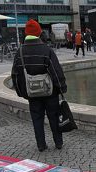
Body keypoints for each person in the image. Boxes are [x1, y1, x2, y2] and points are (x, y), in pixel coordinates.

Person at [11, 19, 67, 152]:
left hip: (32, 93)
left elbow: (15, 74)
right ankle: (58, 143)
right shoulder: (46, 50)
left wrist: (22, 92)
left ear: (26, 33)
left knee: (37, 118)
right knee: (53, 117)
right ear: (39, 33)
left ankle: (41, 145)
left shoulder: (20, 52)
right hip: (50, 93)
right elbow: (56, 71)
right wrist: (62, 87)